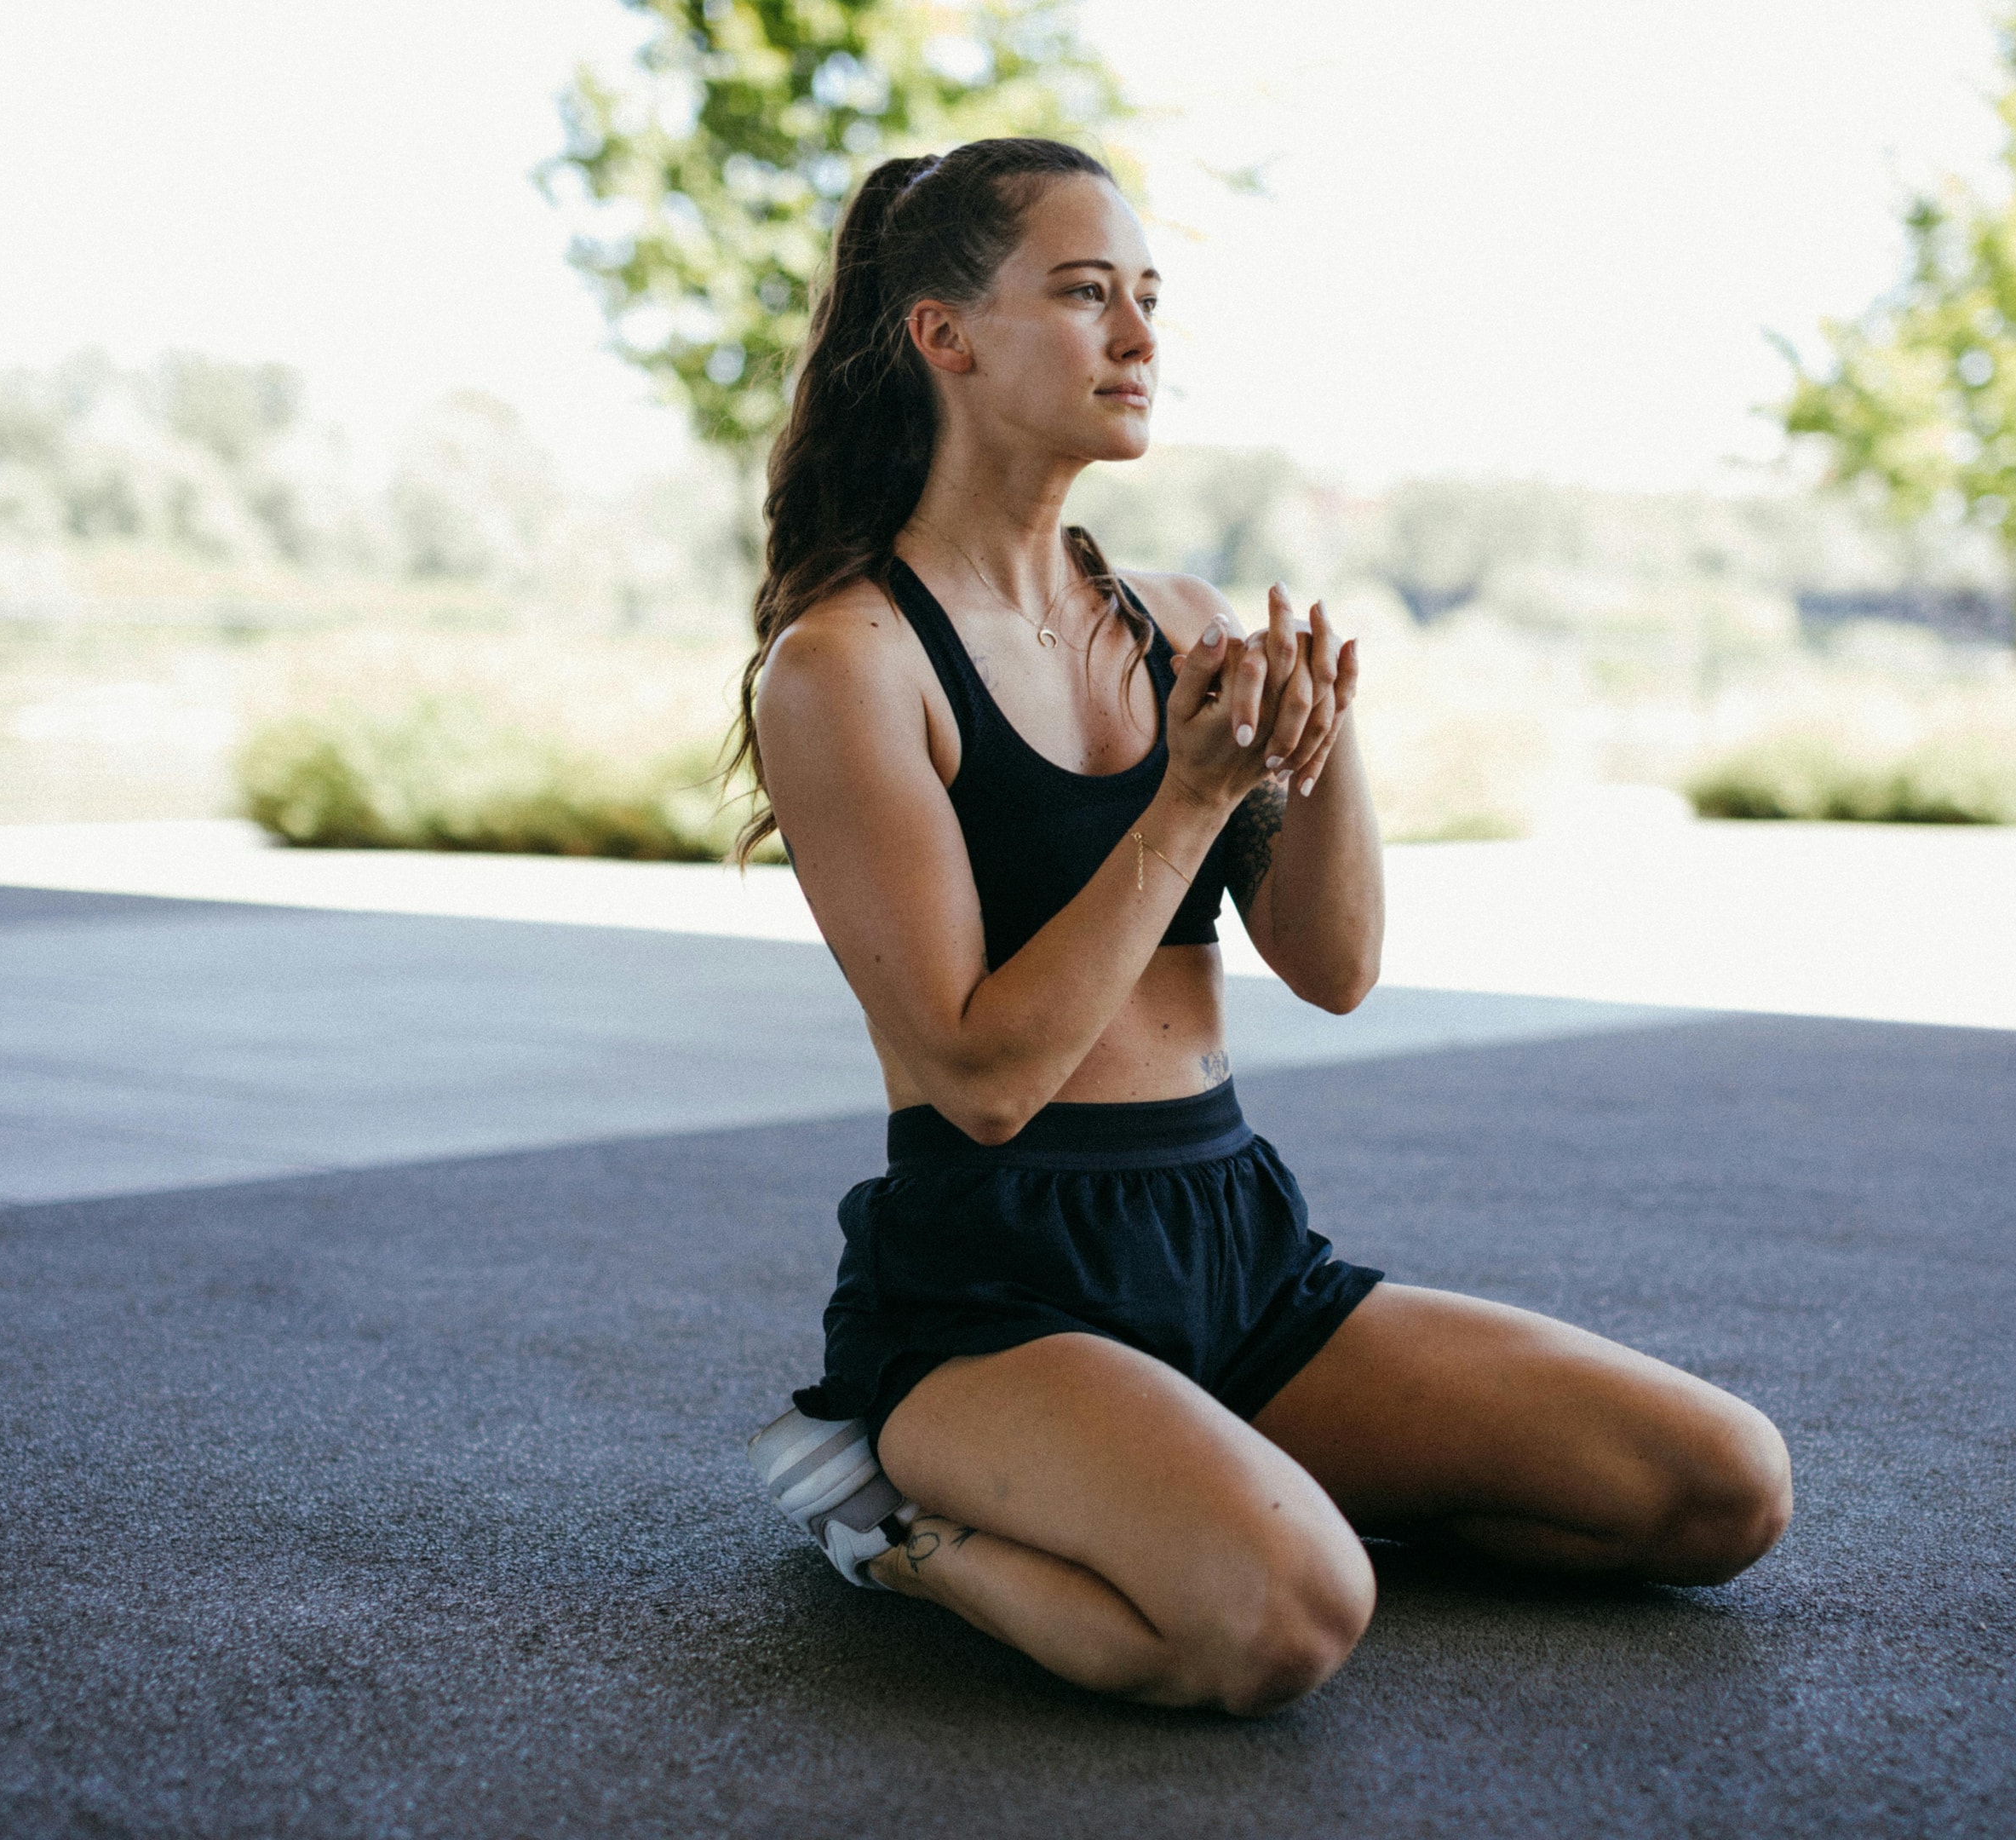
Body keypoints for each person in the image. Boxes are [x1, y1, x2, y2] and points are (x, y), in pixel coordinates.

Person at [732, 138, 1790, 1718]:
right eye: (1087, 296)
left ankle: (1190, 1479)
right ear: (943, 335)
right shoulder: (848, 664)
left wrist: (1324, 739)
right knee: (1286, 1619)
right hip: (997, 1299)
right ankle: (897, 1531)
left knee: (1722, 1488)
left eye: (1149, 298)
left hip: (1238, 1246)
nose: (1141, 339)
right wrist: (1182, 807)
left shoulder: (1179, 619)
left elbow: (1337, 969)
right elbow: (982, 1077)